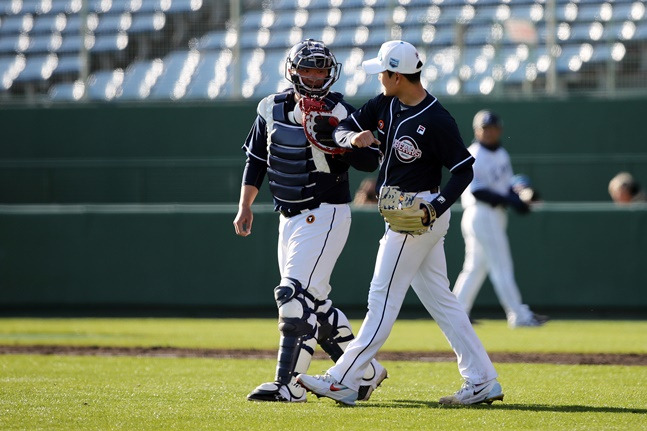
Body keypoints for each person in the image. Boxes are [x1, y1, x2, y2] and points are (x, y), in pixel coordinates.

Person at [296, 40, 503, 406]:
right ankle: (483, 379)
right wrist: (351, 137)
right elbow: (345, 126)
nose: (379, 76)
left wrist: (435, 207)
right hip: (403, 212)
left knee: (382, 299)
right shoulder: (385, 103)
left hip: (418, 214)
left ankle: (342, 378)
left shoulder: (437, 118)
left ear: (397, 75)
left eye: (383, 71)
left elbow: (463, 170)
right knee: (444, 303)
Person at [233, 39, 387, 403]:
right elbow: (256, 160)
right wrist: (245, 206)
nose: (315, 77)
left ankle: (288, 384)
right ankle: (365, 372)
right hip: (288, 218)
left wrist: (347, 143)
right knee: (314, 304)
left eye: (321, 70)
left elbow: (370, 162)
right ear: (293, 70)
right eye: (308, 69)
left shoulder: (340, 111)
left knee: (293, 297)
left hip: (325, 213)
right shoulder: (271, 108)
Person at [451, 110, 549, 329]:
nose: (489, 132)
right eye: (485, 128)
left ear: (499, 130)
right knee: (501, 266)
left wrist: (519, 199)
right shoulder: (474, 153)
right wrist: (510, 200)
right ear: (477, 130)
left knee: (475, 267)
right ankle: (519, 315)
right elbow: (477, 190)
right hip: (481, 212)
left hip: (492, 214)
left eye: (492, 128)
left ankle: (456, 314)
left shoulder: (501, 154)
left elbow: (508, 187)